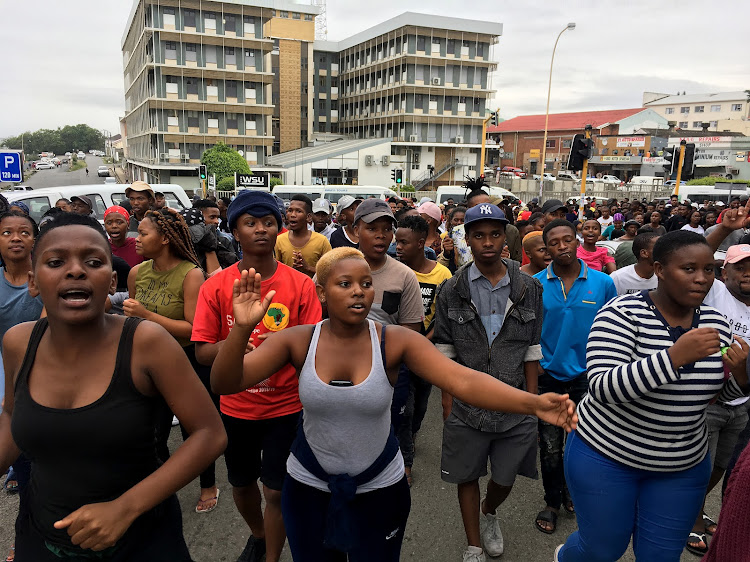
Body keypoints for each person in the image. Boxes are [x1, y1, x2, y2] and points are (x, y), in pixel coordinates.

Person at [209, 248, 577, 562]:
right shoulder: (298, 340)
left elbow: (462, 379)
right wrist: (241, 329)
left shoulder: (394, 340)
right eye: (345, 284)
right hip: (307, 487)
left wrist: (532, 403)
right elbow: (225, 382)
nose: (359, 293)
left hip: (380, 488)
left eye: (366, 284)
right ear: (321, 292)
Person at [0, 212, 226, 561]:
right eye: (56, 261)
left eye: (92, 261)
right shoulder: (18, 342)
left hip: (142, 541)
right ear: (32, 281)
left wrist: (126, 508)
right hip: (42, 537)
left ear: (111, 282)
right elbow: (11, 417)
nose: (76, 271)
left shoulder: (146, 342)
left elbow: (210, 434)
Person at [555, 231, 749, 562]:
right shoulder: (622, 313)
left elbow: (714, 394)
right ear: (659, 269)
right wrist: (673, 357)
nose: (701, 279)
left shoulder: (716, 324)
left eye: (708, 270)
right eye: (689, 269)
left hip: (682, 464)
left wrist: (741, 376)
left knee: (659, 556)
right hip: (606, 455)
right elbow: (602, 385)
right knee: (602, 549)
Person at [192, 190, 321, 562]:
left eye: (268, 223)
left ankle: (271, 555)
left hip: (286, 406)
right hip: (235, 407)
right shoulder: (215, 286)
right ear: (235, 231)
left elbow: (311, 347)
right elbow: (203, 351)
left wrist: (275, 352)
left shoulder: (300, 285)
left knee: (277, 492)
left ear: (278, 229)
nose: (260, 230)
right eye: (250, 223)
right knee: (242, 483)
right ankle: (260, 534)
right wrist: (238, 340)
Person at [432, 203, 545, 562]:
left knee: (506, 477)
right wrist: (448, 403)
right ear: (467, 239)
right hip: (466, 405)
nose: (487, 242)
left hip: (514, 405)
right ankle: (473, 545)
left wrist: (532, 402)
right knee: (467, 474)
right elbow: (446, 350)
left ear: (505, 237)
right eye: (478, 235)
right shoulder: (452, 289)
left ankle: (489, 511)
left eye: (494, 234)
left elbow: (532, 349)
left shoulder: (529, 288)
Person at [124, 208, 220, 515]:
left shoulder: (191, 274)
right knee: (153, 433)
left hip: (186, 362)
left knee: (195, 430)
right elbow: (131, 317)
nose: (135, 239)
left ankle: (208, 484)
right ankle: (163, 485)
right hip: (148, 363)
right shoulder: (137, 273)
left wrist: (147, 315)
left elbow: (194, 330)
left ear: (165, 239)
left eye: (142, 233)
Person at [533, 219, 617, 535]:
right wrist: (537, 365)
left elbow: (613, 329)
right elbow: (528, 330)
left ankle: (574, 495)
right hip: (549, 376)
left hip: (588, 376)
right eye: (554, 242)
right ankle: (552, 501)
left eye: (568, 239)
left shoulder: (602, 283)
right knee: (551, 447)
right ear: (547, 248)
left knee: (584, 444)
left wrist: (602, 366)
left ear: (576, 240)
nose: (562, 246)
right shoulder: (537, 284)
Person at [394, 215, 452, 486]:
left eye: (404, 242)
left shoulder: (442, 274)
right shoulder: (395, 270)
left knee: (420, 404)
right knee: (403, 406)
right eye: (397, 242)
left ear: (420, 243)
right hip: (401, 351)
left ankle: (413, 435)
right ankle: (405, 460)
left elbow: (443, 316)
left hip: (428, 350)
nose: (398, 247)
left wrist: (424, 341)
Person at [275, 195, 332, 277]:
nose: (293, 215)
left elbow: (330, 271)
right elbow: (275, 270)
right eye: (290, 210)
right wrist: (291, 270)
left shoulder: (322, 241)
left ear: (308, 217)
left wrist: (308, 268)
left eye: (298, 211)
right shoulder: (279, 240)